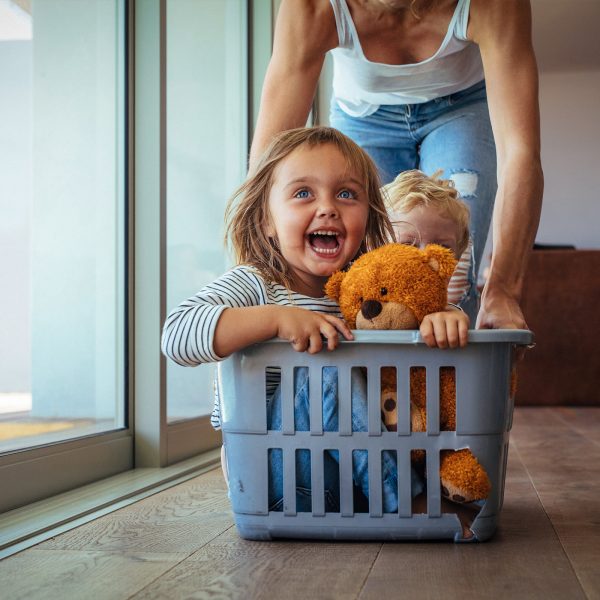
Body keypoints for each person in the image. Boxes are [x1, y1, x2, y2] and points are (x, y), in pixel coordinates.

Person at [161, 126, 469, 513]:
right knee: (324, 367)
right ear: (266, 222)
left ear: (369, 219)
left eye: (346, 194)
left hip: (353, 484)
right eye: (303, 193)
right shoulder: (256, 284)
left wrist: (446, 316)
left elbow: (411, 314)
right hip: (277, 478)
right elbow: (177, 334)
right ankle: (407, 497)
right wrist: (277, 320)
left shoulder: (361, 292)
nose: (328, 207)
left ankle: (406, 488)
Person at [249, 0, 543, 331]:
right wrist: (255, 281)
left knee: (451, 269)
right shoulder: (313, 7)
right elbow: (268, 167)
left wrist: (503, 290)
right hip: (364, 114)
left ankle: (444, 380)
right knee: (358, 269)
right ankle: (368, 381)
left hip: (462, 107)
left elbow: (520, 153)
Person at [383, 169, 472, 307]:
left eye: (441, 248)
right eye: (407, 245)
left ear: (456, 261)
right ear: (374, 248)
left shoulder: (448, 316)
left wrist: (449, 318)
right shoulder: (357, 301)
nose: (425, 259)